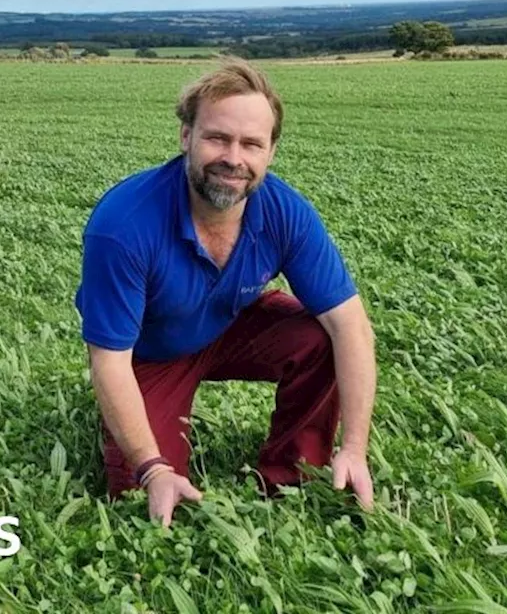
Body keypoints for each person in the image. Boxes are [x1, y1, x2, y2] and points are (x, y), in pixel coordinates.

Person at [74, 57, 378, 526]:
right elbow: (109, 361)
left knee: (320, 336)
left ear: (270, 152)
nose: (233, 158)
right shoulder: (124, 225)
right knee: (143, 495)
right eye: (217, 138)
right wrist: (153, 467)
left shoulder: (284, 212)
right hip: (152, 356)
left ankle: (292, 473)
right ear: (186, 138)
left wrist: (354, 447)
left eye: (251, 143)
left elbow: (351, 327)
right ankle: (141, 445)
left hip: (232, 321)